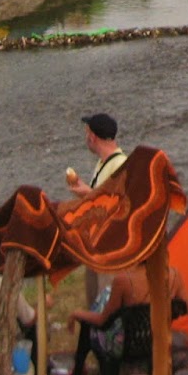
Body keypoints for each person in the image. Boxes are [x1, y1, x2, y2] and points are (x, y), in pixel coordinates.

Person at [67, 112, 128, 305]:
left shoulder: (120, 164)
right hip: (96, 244)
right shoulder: (103, 163)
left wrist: (89, 193)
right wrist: (86, 192)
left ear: (93, 137)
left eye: (87, 133)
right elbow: (102, 197)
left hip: (110, 248)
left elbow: (119, 205)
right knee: (94, 298)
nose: (86, 138)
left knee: (106, 300)